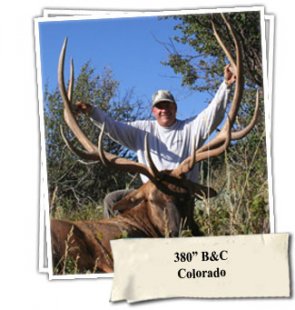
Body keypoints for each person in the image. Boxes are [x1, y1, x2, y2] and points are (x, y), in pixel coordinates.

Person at [75, 65, 236, 218]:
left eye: (168, 105)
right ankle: (118, 245)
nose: (164, 109)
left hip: (180, 192)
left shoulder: (191, 128)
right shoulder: (141, 130)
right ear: (153, 111)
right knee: (112, 200)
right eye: (160, 106)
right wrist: (91, 111)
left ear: (175, 108)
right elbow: (113, 127)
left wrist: (226, 85)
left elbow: (214, 112)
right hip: (151, 192)